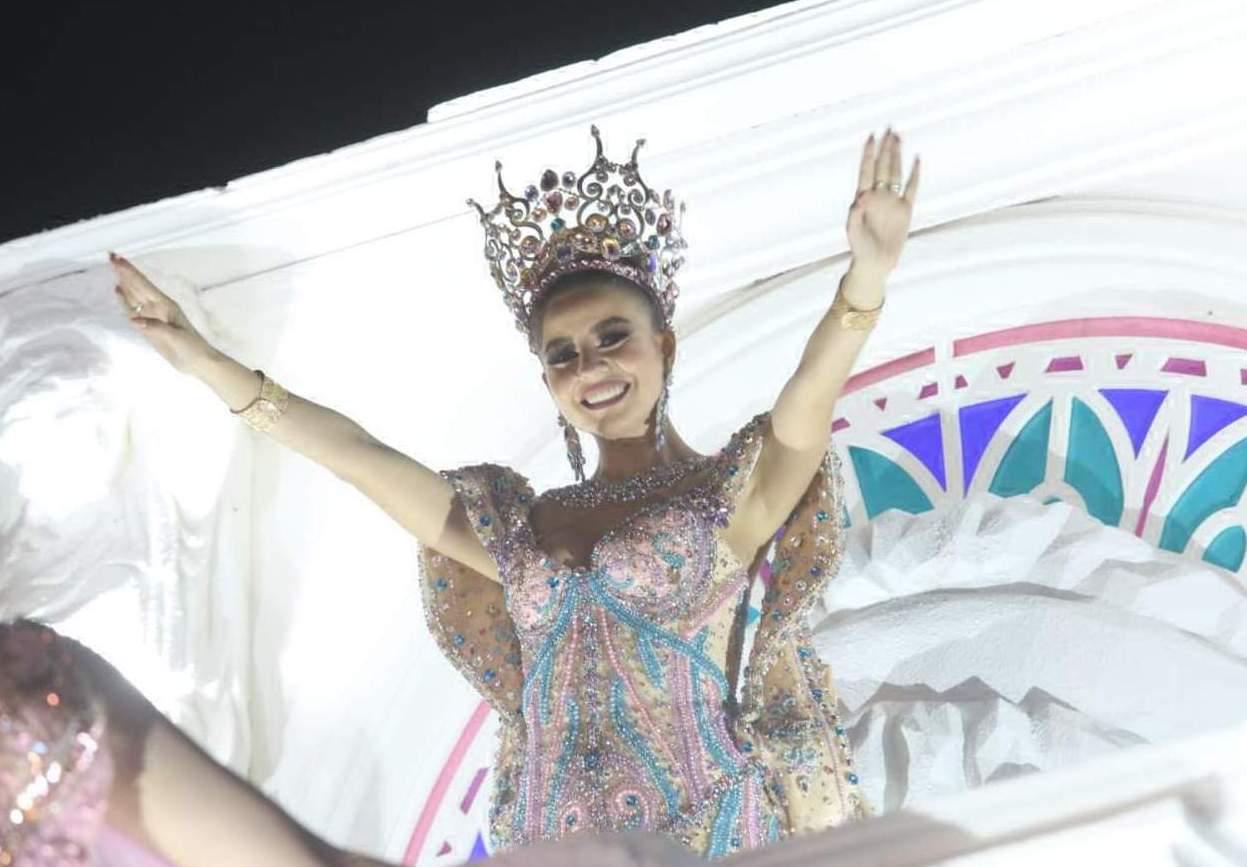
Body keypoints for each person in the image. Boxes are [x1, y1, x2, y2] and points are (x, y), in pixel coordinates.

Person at [2, 125, 918, 864]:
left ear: (664, 346)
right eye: (562, 354)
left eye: (611, 337)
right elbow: (361, 458)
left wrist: (863, 280)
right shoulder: (519, 524)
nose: (589, 367)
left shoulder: (729, 496)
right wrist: (202, 361)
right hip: (550, 837)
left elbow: (803, 414)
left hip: (706, 828)